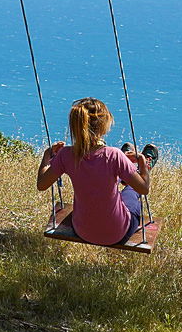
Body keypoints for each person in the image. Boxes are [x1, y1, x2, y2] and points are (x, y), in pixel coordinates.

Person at [37, 97, 152, 245]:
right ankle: (136, 169)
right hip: (117, 233)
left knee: (108, 179)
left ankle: (123, 173)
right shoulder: (113, 155)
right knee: (131, 191)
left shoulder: (65, 155)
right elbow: (144, 188)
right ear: (104, 125)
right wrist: (142, 162)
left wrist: (47, 155)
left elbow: (42, 184)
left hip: (82, 230)